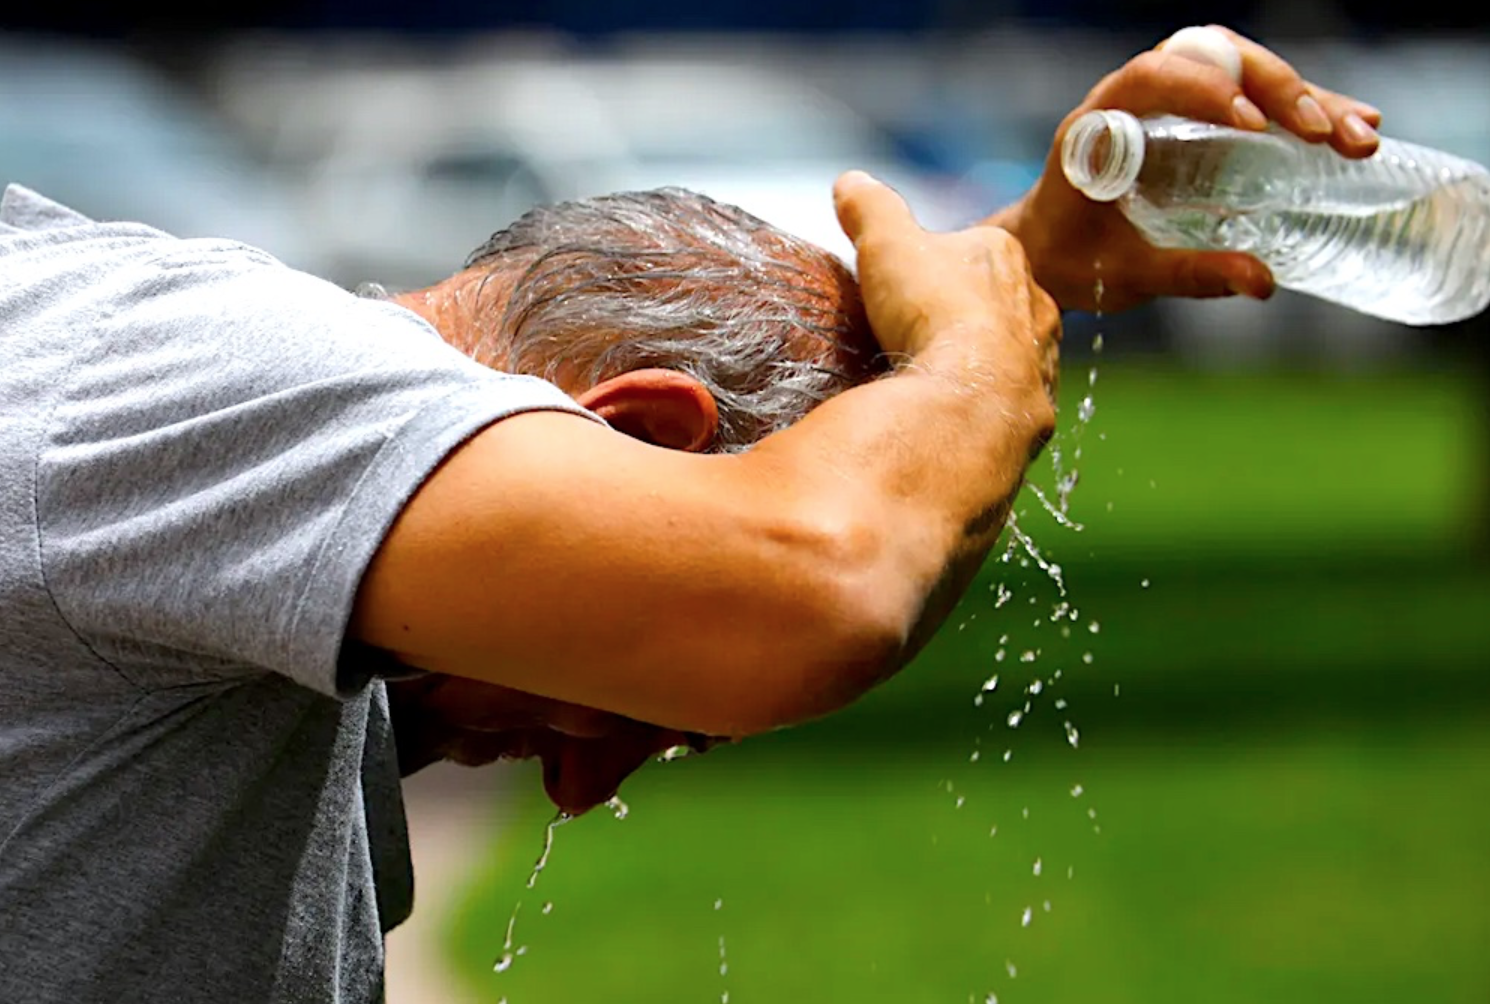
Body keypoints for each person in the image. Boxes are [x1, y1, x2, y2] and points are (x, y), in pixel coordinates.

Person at [0, 25, 1379, 1004]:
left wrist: (1007, 267)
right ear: (645, 437)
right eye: (649, 704)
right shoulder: (225, 378)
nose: (582, 787)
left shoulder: (199, 457)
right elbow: (813, 592)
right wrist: (974, 359)